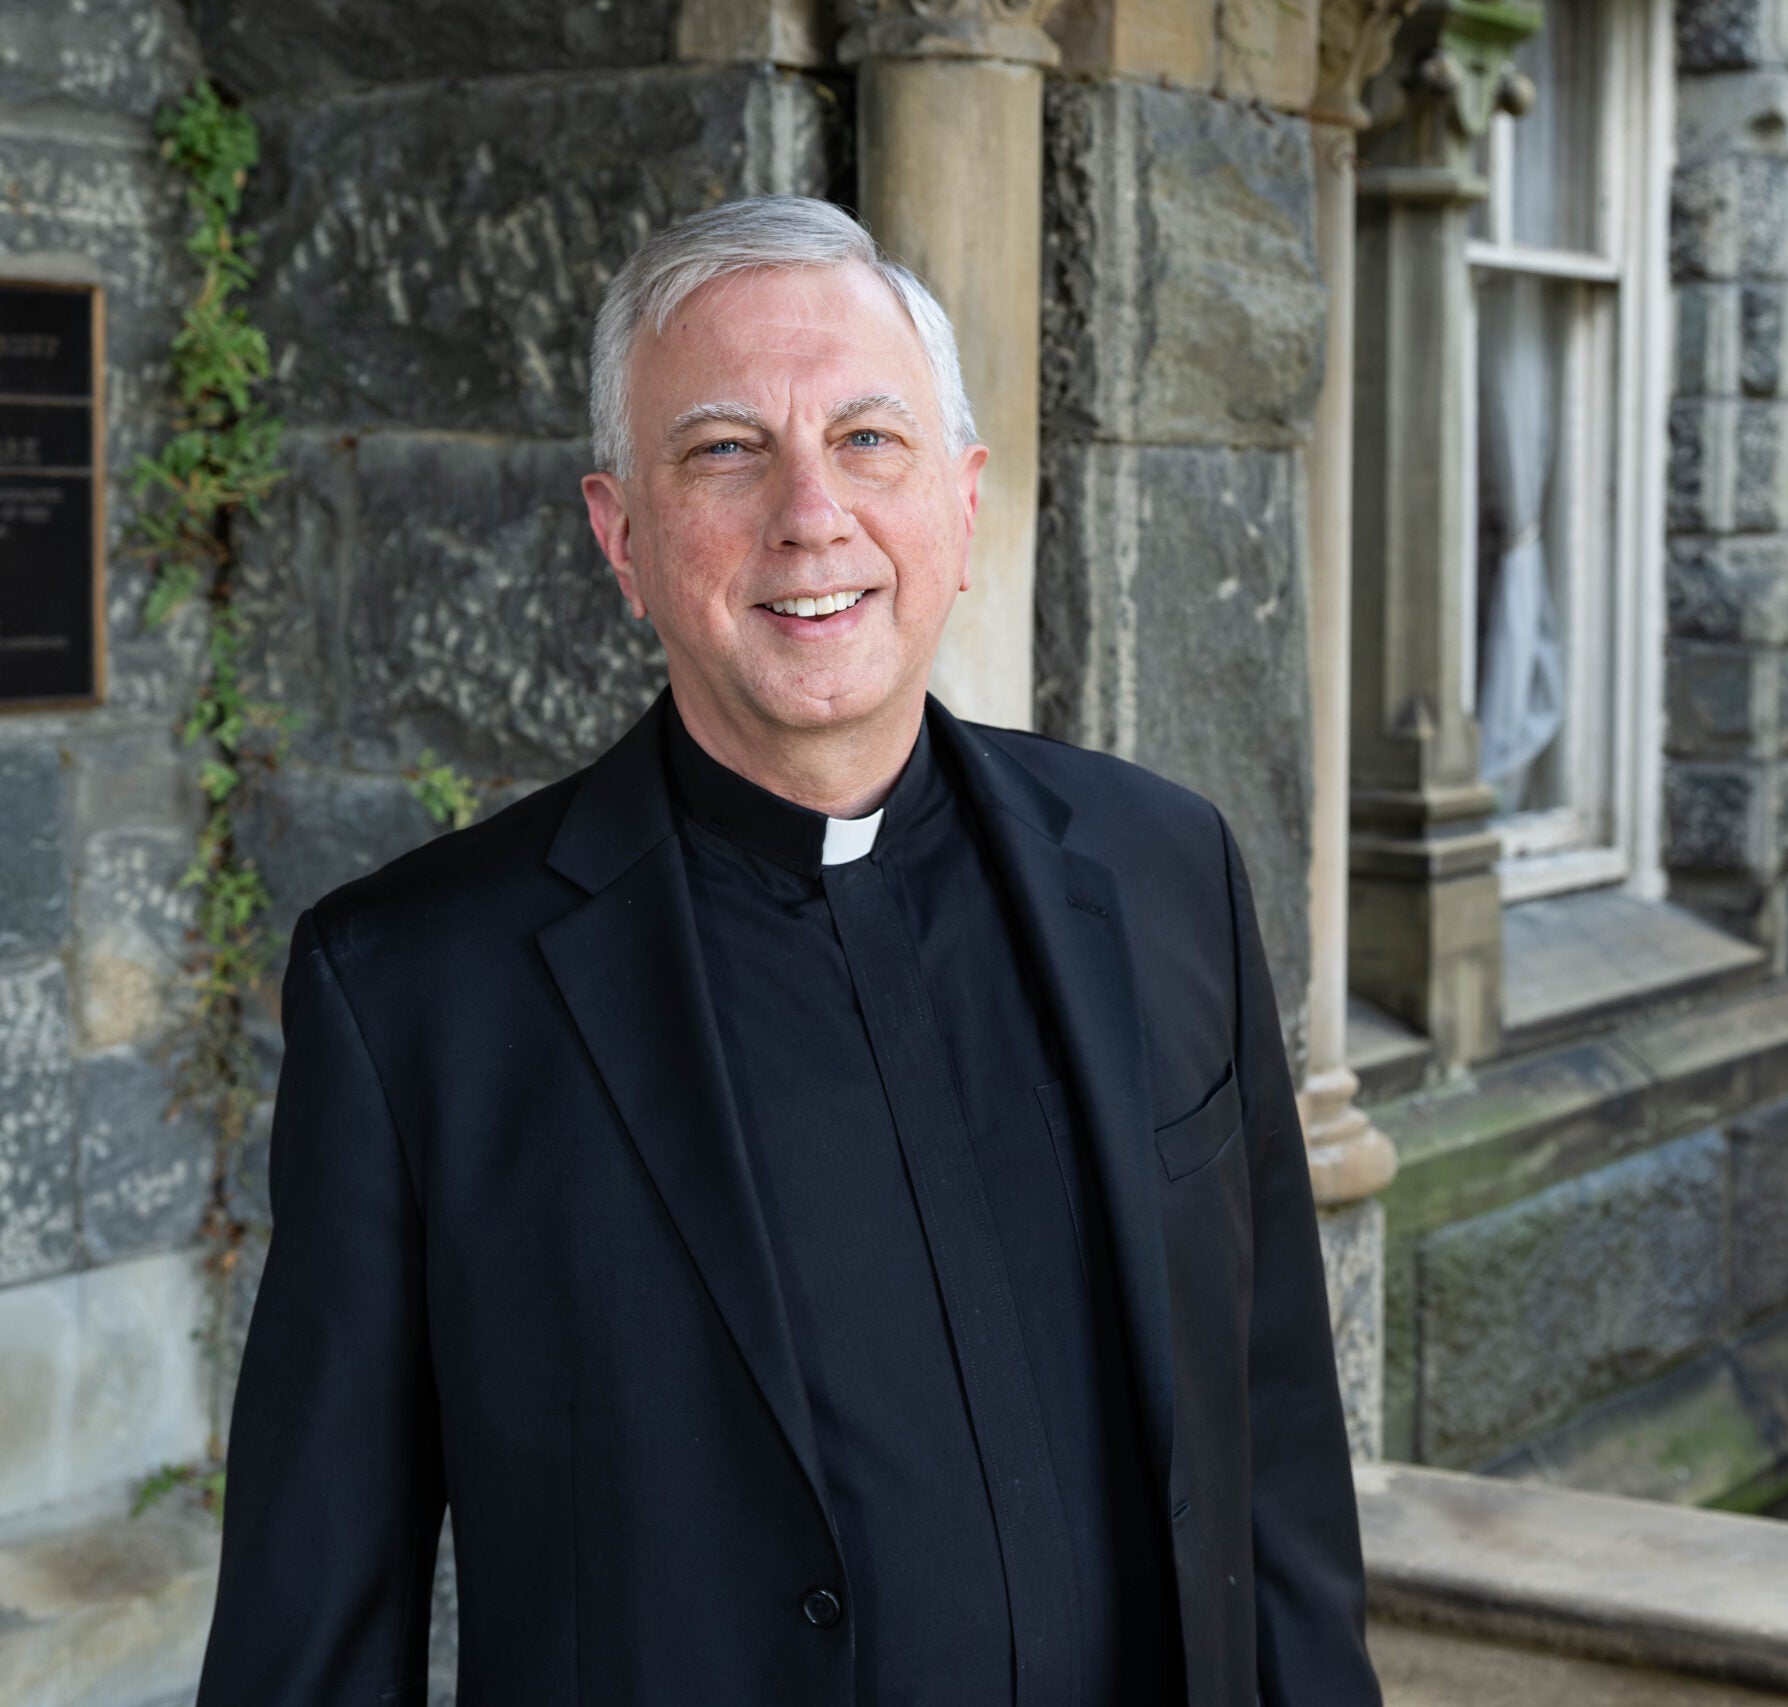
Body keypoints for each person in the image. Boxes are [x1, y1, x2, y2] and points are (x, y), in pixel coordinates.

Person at [196, 195, 1380, 1707]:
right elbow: (316, 1628)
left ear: (962, 502)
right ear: (622, 538)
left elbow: (1274, 1455)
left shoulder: (1164, 870)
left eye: (869, 441)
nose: (810, 515)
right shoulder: (415, 997)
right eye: (725, 449)